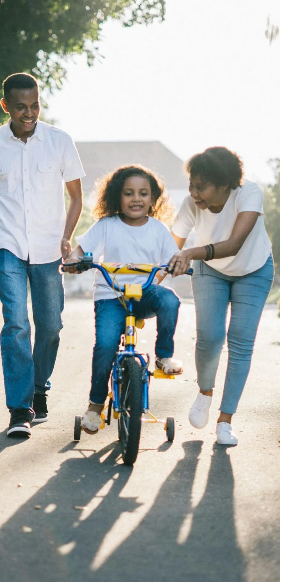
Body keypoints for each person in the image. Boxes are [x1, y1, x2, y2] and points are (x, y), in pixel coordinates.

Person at [0, 72, 85, 438]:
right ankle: (20, 409)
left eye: (34, 105)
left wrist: (67, 237)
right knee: (17, 324)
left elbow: (76, 196)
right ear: (6, 106)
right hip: (7, 247)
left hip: (50, 247)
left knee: (50, 326)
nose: (29, 113)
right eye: (21, 107)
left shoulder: (60, 141)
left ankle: (39, 389)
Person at [65, 165, 183, 434]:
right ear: (118, 196)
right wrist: (74, 260)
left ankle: (164, 356)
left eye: (143, 193)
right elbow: (80, 250)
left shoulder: (159, 229)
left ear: (153, 198)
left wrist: (176, 265)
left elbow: (172, 259)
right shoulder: (106, 225)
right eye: (129, 193)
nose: (136, 199)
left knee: (170, 301)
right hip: (111, 296)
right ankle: (95, 406)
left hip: (144, 294)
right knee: (106, 345)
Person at [168, 147, 273, 446]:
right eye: (191, 184)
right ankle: (205, 392)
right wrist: (152, 278)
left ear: (224, 184)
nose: (194, 192)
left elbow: (235, 244)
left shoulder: (248, 194)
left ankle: (225, 420)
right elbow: (169, 247)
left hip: (253, 269)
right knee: (210, 336)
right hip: (210, 270)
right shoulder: (192, 204)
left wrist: (190, 252)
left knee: (240, 340)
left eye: (201, 186)